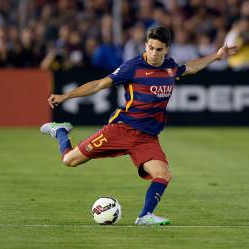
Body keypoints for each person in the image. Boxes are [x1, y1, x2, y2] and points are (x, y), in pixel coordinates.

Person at [40, 26, 237, 225]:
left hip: (147, 138)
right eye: (150, 47)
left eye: (159, 49)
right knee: (69, 160)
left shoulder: (170, 67)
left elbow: (191, 67)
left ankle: (144, 216)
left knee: (163, 174)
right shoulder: (133, 67)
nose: (153, 53)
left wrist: (217, 55)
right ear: (146, 45)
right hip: (122, 130)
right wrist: (66, 96)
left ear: (167, 49)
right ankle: (61, 131)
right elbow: (99, 84)